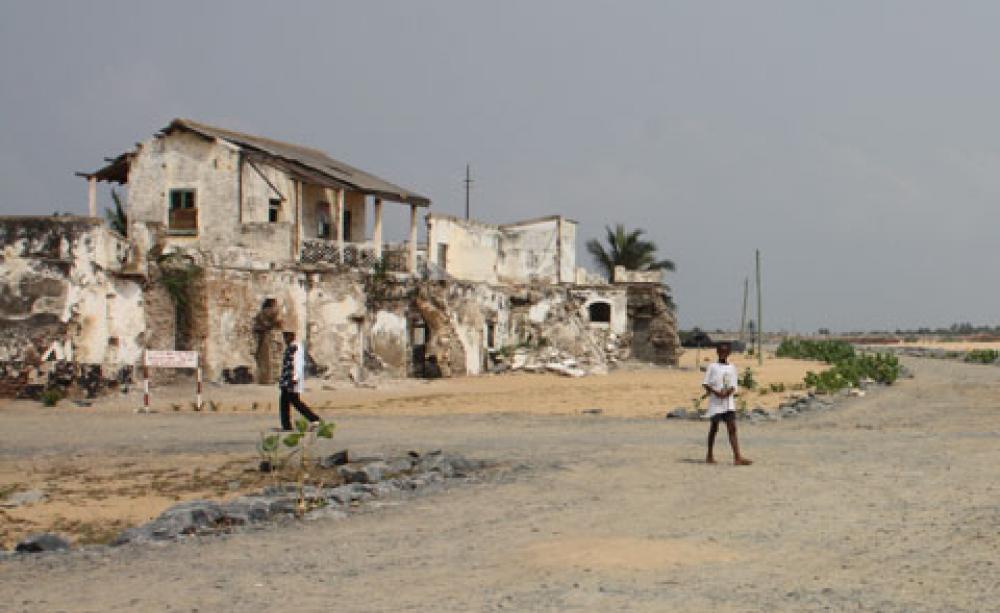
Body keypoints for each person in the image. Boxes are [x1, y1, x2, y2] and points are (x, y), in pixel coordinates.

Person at [703, 341, 752, 465]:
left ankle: (737, 457)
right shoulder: (712, 366)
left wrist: (727, 393)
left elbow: (734, 385)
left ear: (729, 353)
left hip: (728, 403)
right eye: (721, 351)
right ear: (717, 352)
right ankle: (709, 454)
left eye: (726, 351)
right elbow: (706, 384)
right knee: (714, 428)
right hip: (716, 403)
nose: (723, 353)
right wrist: (716, 392)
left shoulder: (732, 367)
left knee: (732, 428)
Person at [278, 330, 320, 431]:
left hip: (292, 380)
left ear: (292, 336)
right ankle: (286, 425)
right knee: (284, 402)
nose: (285, 339)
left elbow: (298, 364)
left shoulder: (296, 347)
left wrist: (295, 378)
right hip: (286, 379)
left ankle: (314, 419)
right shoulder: (290, 347)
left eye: (287, 336)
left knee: (295, 401)